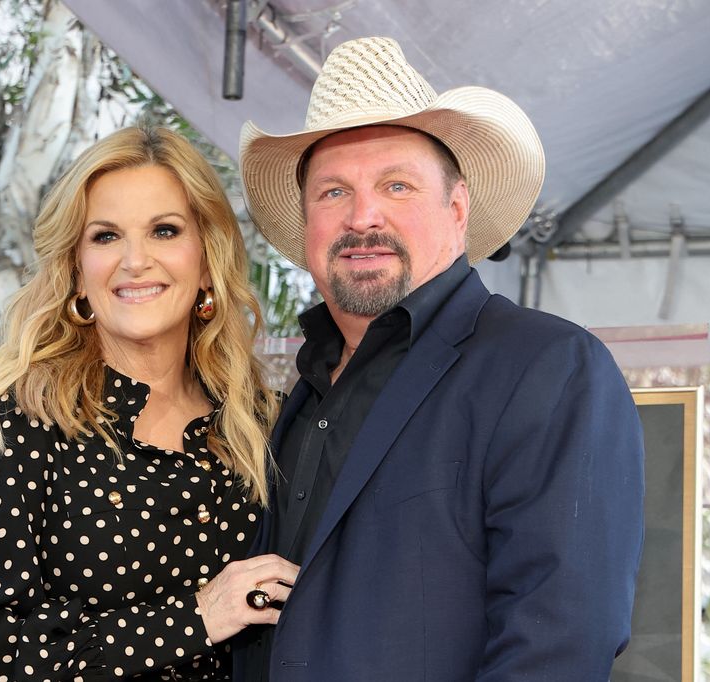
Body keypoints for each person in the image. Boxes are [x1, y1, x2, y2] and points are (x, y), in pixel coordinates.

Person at [234, 37, 645, 681]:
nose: (362, 215)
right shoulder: (302, 395)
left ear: (457, 211)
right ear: (307, 224)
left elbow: (557, 644)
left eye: (396, 185)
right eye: (333, 192)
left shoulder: (550, 367)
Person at [0, 124, 299, 681]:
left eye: (164, 231)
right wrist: (196, 617)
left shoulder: (263, 421)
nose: (135, 261)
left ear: (205, 261)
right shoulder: (13, 419)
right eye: (105, 236)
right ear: (76, 269)